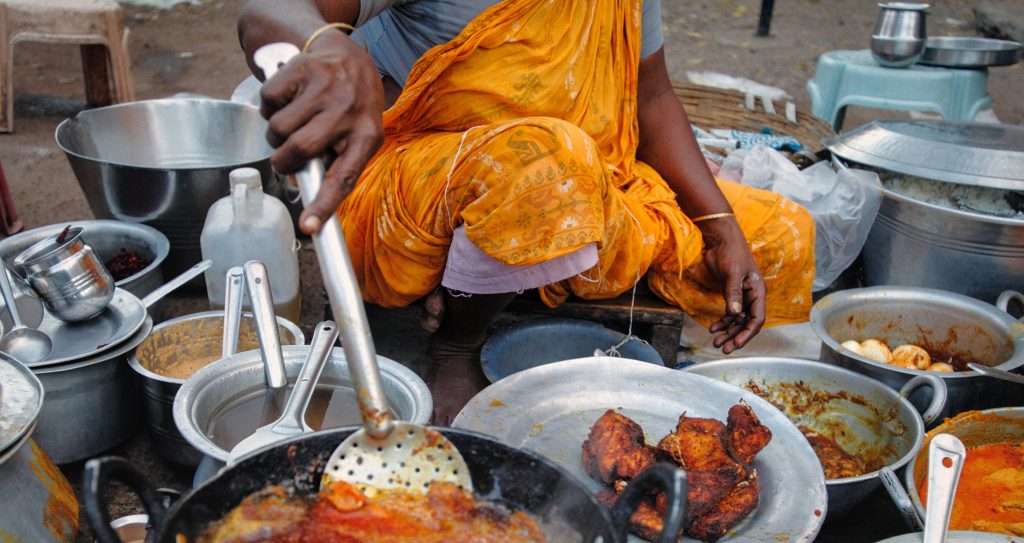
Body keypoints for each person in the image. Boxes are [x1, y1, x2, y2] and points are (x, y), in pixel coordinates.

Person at [238, 0, 815, 423]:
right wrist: (325, 45)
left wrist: (720, 227)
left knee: (784, 233)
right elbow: (269, 10)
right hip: (417, 182)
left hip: (576, 181)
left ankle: (499, 270)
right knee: (550, 165)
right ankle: (459, 340)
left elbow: (653, 96)